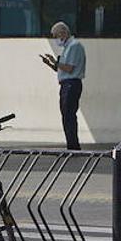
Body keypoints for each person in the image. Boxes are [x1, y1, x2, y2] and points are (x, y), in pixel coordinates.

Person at [39, 22, 86, 150]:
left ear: (62, 33)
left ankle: (73, 145)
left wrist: (56, 62)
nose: (55, 39)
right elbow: (62, 70)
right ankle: (71, 144)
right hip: (67, 84)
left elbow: (69, 68)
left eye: (55, 35)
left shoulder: (74, 46)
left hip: (71, 84)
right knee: (66, 115)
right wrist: (50, 63)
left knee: (69, 115)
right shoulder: (68, 47)